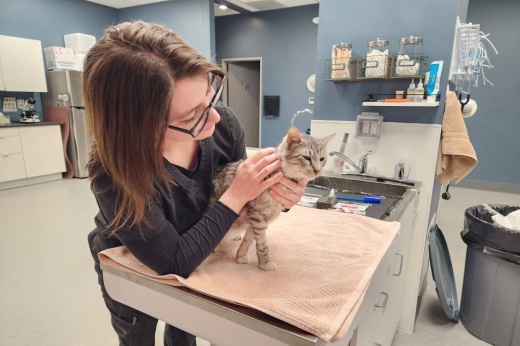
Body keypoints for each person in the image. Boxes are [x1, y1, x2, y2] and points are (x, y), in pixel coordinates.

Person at [85, 21, 307, 346]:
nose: (214, 117)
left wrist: (283, 195)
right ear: (137, 128)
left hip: (200, 245)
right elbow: (172, 262)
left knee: (185, 325)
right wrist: (236, 194)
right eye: (190, 116)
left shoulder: (222, 124)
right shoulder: (113, 173)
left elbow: (249, 203)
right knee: (136, 332)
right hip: (132, 259)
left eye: (209, 93)